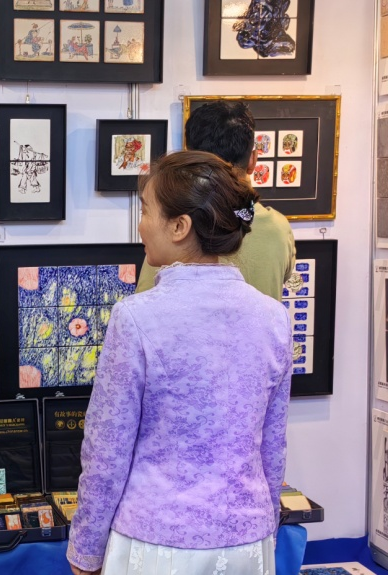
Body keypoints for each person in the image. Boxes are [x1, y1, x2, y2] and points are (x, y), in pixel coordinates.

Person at [67, 151, 292, 575]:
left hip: (156, 542)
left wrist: (86, 550)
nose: (140, 225)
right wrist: (266, 530)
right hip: (246, 540)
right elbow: (272, 449)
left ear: (179, 226)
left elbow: (107, 451)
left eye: (145, 211)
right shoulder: (273, 318)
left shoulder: (136, 318)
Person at [135, 100, 296, 302]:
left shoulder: (177, 228)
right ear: (253, 159)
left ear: (190, 160)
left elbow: (145, 300)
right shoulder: (278, 228)